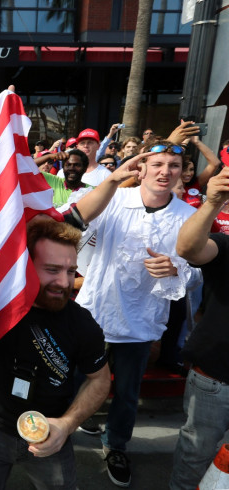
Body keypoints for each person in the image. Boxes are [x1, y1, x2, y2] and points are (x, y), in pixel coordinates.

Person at [72, 141, 201, 487]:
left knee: (127, 392)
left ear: (181, 172)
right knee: (77, 379)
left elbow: (199, 271)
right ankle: (68, 426)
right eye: (157, 163)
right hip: (94, 311)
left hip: (140, 321)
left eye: (173, 165)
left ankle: (115, 444)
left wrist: (176, 270)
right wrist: (112, 180)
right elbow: (75, 220)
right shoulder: (113, 200)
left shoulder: (189, 217)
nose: (165, 171)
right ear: (141, 167)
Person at [0, 220, 111, 490]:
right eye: (52, 270)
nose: (64, 282)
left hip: (51, 438)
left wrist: (66, 426)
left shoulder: (82, 324)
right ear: (27, 265)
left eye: (71, 271)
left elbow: (99, 380)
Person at [169, 165, 229, 490]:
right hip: (217, 381)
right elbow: (189, 249)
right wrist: (212, 202)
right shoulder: (226, 244)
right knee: (194, 461)